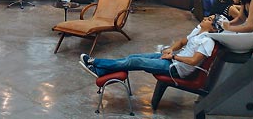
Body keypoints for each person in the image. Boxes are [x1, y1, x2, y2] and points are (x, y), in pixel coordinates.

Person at [79, 16, 219, 79]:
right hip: (172, 60)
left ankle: (95, 62)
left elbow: (194, 61)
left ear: (213, 28)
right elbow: (182, 42)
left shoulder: (208, 41)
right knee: (133, 57)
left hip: (176, 69)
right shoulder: (198, 31)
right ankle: (101, 71)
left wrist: (174, 56)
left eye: (210, 19)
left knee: (134, 62)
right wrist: (171, 48)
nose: (206, 17)